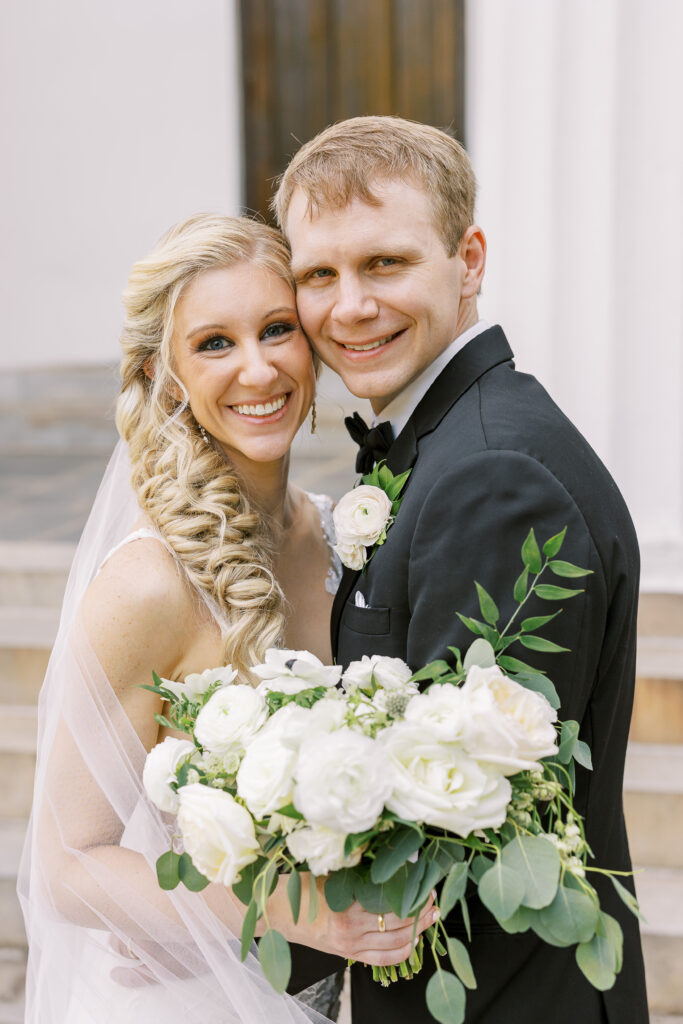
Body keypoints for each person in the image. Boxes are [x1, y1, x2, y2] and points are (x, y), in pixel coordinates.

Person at [274, 116, 649, 1023]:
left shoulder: (494, 478)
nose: (349, 306)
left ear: (468, 259)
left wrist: (222, 939)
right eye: (319, 275)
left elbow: (459, 823)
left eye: (385, 264)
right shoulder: (445, 440)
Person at [17, 213, 436, 1024]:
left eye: (276, 330)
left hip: (316, 991)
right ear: (163, 375)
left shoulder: (342, 535)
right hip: (190, 999)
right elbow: (66, 863)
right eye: (214, 343)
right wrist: (286, 909)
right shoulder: (149, 584)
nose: (258, 368)